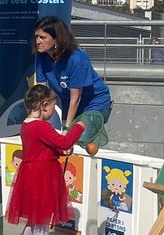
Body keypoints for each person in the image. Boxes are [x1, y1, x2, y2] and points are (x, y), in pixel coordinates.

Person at [8, 84, 83, 235]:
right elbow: (64, 140)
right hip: (43, 172)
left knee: (38, 210)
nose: (52, 113)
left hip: (33, 170)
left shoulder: (27, 125)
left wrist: (60, 150)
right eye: (51, 107)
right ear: (43, 105)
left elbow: (46, 146)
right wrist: (79, 128)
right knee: (43, 213)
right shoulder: (41, 126)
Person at [33, 15, 112, 156]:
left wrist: (67, 130)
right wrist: (37, 119)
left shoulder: (76, 59)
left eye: (43, 37)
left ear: (56, 39)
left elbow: (76, 97)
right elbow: (42, 91)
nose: (38, 41)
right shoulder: (42, 56)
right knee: (60, 145)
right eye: (36, 37)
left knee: (75, 141)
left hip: (94, 105)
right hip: (68, 104)